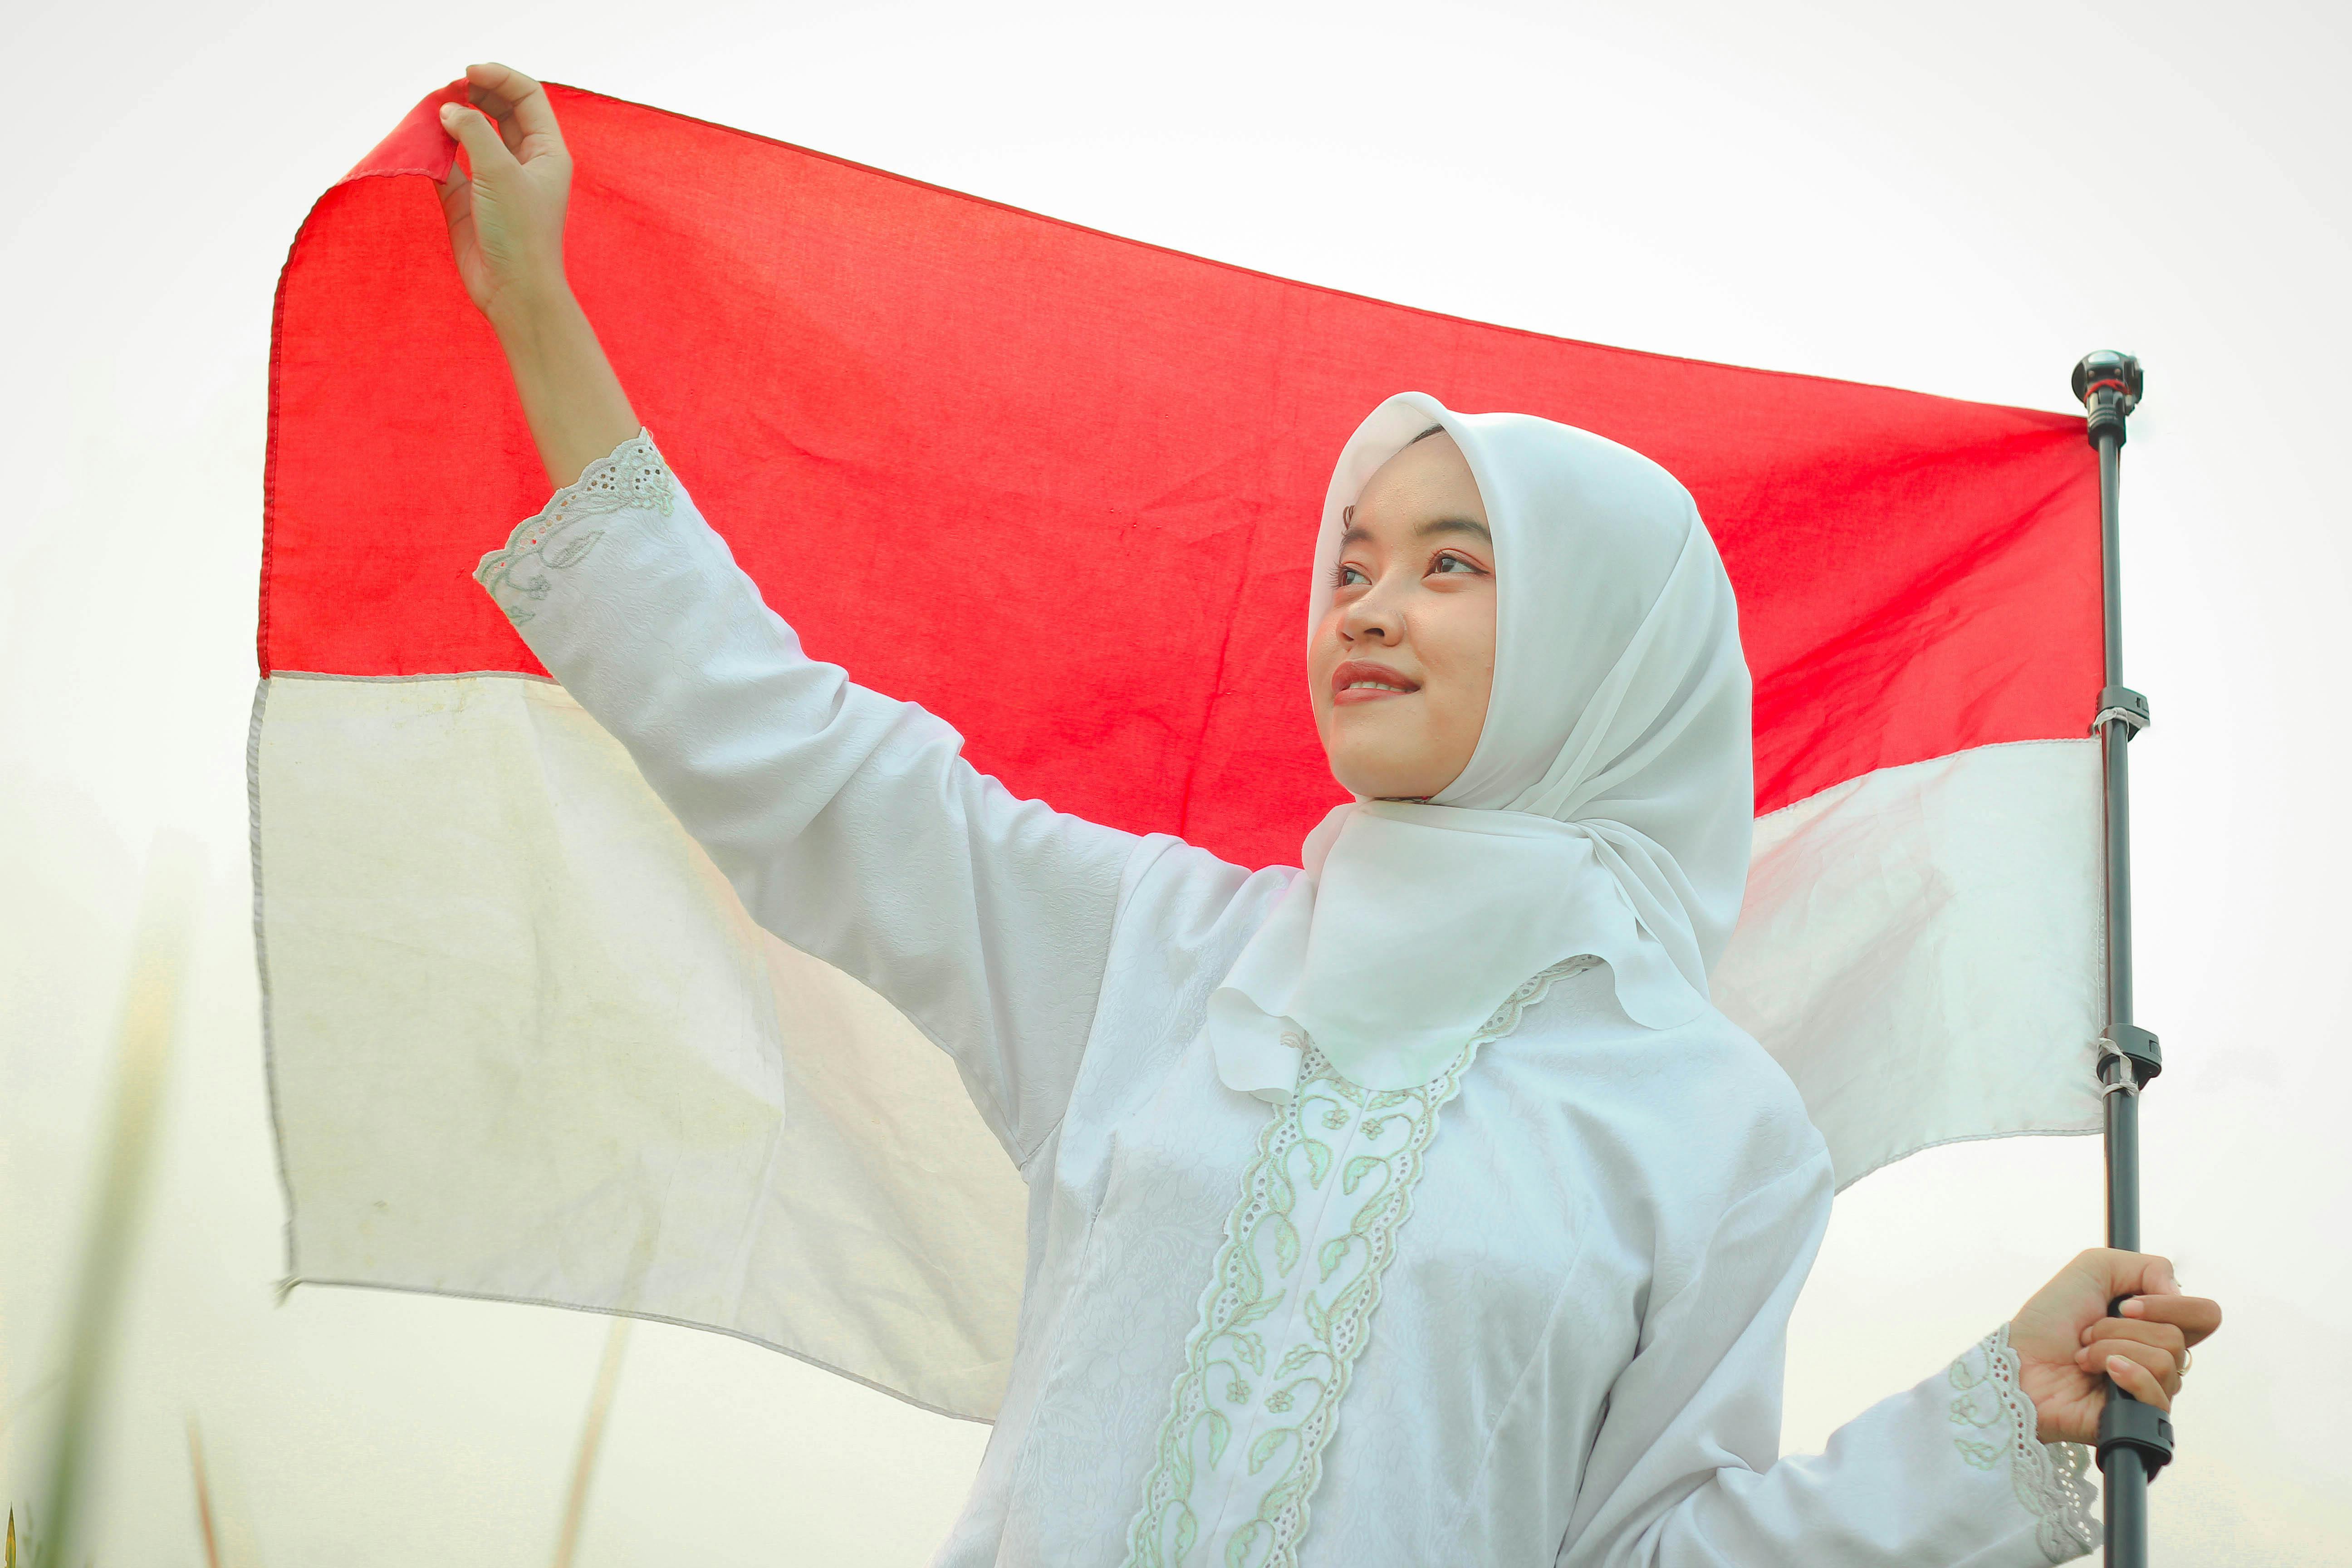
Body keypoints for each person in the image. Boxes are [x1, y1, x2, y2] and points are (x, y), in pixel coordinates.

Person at [435, 62, 2221, 1567]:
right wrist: (536, 304)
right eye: (1352, 561)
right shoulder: (1150, 953)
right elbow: (796, 762)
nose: (1366, 606)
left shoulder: (1710, 1121)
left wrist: (1996, 1419)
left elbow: (1656, 1551)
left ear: (1607, 646)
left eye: (1456, 565)